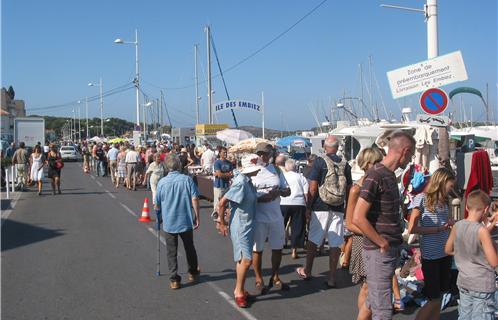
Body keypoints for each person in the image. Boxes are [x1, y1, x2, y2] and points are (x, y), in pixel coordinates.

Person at [352, 130, 416, 320]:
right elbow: (358, 217)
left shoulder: (387, 175)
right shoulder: (377, 175)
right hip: (379, 252)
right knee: (383, 310)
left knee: (375, 300)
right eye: (411, 154)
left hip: (387, 251)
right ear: (404, 151)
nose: (410, 159)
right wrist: (381, 242)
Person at [296, 135, 352, 288]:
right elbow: (349, 188)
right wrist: (347, 208)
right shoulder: (345, 164)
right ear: (338, 146)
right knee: (335, 242)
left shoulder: (320, 162)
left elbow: (313, 188)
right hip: (338, 207)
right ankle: (332, 278)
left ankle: (307, 270)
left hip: (321, 206)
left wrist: (308, 207)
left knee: (314, 239)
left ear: (325, 147)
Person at [345, 147, 393, 319]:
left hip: (376, 239)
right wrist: (372, 233)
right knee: (367, 288)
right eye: (376, 162)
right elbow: (350, 222)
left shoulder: (378, 183)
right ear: (367, 164)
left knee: (374, 289)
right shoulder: (356, 189)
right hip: (363, 240)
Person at [407, 167, 456, 320]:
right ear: (442, 182)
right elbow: (412, 228)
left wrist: (448, 224)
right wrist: (438, 228)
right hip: (431, 255)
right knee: (434, 298)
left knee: (440, 297)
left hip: (444, 253)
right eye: (451, 185)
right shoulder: (422, 198)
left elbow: (442, 224)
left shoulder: (444, 201)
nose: (451, 189)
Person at [217, 154, 263, 308]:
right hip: (241, 226)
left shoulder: (248, 181)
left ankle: (241, 289)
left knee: (242, 259)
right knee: (247, 260)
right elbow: (222, 202)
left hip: (247, 224)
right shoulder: (241, 183)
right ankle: (238, 291)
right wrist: (222, 222)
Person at [445, 190, 498, 320]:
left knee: (464, 315)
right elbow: (494, 262)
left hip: (464, 281)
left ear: (467, 207)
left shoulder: (457, 225)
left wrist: (464, 253)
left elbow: (447, 249)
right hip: (482, 283)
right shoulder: (482, 231)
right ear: (486, 210)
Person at [155, 156, 200, 290]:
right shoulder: (186, 180)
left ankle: (174, 279)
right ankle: (192, 271)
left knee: (171, 251)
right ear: (179, 166)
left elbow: (157, 203)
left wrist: (159, 216)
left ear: (167, 167)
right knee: (189, 247)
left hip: (169, 221)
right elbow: (195, 199)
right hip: (185, 219)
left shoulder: (162, 182)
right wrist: (197, 217)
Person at [251, 142, 291, 294]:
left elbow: (288, 190)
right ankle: (258, 278)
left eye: (265, 154)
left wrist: (279, 192)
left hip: (275, 216)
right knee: (258, 249)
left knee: (277, 248)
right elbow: (245, 195)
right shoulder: (251, 170)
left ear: (270, 155)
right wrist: (261, 198)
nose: (262, 156)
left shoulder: (276, 170)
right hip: (258, 216)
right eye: (259, 153)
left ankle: (275, 276)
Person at [280, 159, 309, 259]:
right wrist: (307, 207)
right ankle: (294, 250)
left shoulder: (282, 176)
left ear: (286, 167)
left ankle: (279, 248)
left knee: (280, 226)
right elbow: (306, 194)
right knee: (297, 227)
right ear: (295, 167)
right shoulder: (301, 177)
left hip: (283, 202)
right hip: (299, 203)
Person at [213, 147, 234, 218]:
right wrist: (227, 174)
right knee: (217, 204)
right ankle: (217, 217)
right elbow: (219, 175)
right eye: (223, 152)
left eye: (226, 152)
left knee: (225, 204)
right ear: (219, 153)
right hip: (219, 186)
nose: (225, 154)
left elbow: (232, 174)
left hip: (227, 186)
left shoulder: (229, 163)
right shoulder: (217, 162)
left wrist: (223, 174)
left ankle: (222, 218)